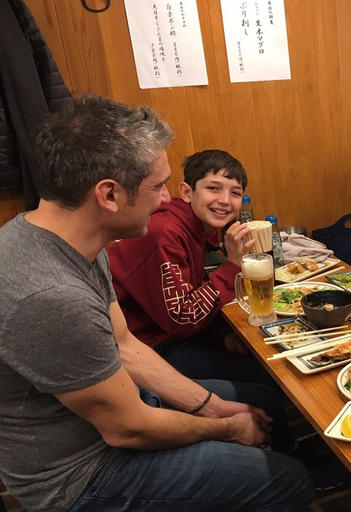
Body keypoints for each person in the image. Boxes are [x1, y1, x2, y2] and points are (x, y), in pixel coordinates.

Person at [0, 95, 313, 512]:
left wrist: (214, 408)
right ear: (109, 195)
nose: (167, 199)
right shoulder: (52, 296)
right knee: (288, 482)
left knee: (258, 405)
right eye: (156, 186)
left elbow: (127, 347)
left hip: (118, 414)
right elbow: (127, 429)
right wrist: (227, 430)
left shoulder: (71, 244)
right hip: (81, 473)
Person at [108, 149, 274, 386]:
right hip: (146, 349)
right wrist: (232, 265)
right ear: (187, 192)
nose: (225, 200)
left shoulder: (200, 228)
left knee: (264, 358)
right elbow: (182, 319)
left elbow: (189, 293)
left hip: (173, 333)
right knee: (267, 379)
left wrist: (221, 333)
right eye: (213, 188)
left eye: (235, 193)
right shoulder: (164, 233)